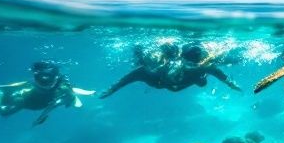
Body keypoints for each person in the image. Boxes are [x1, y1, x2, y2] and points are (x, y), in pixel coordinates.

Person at [0, 61, 90, 135]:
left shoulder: (62, 86)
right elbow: (51, 107)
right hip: (27, 101)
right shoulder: (29, 85)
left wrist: (40, 118)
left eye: (49, 77)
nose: (45, 80)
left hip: (42, 103)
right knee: (4, 111)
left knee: (62, 97)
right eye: (41, 77)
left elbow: (52, 107)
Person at [101, 41, 241, 98]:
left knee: (206, 71)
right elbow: (129, 78)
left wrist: (230, 83)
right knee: (141, 63)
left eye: (176, 75)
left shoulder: (194, 71)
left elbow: (213, 69)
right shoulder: (153, 75)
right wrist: (112, 89)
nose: (175, 76)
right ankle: (138, 50)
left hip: (190, 74)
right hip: (162, 81)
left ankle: (233, 58)